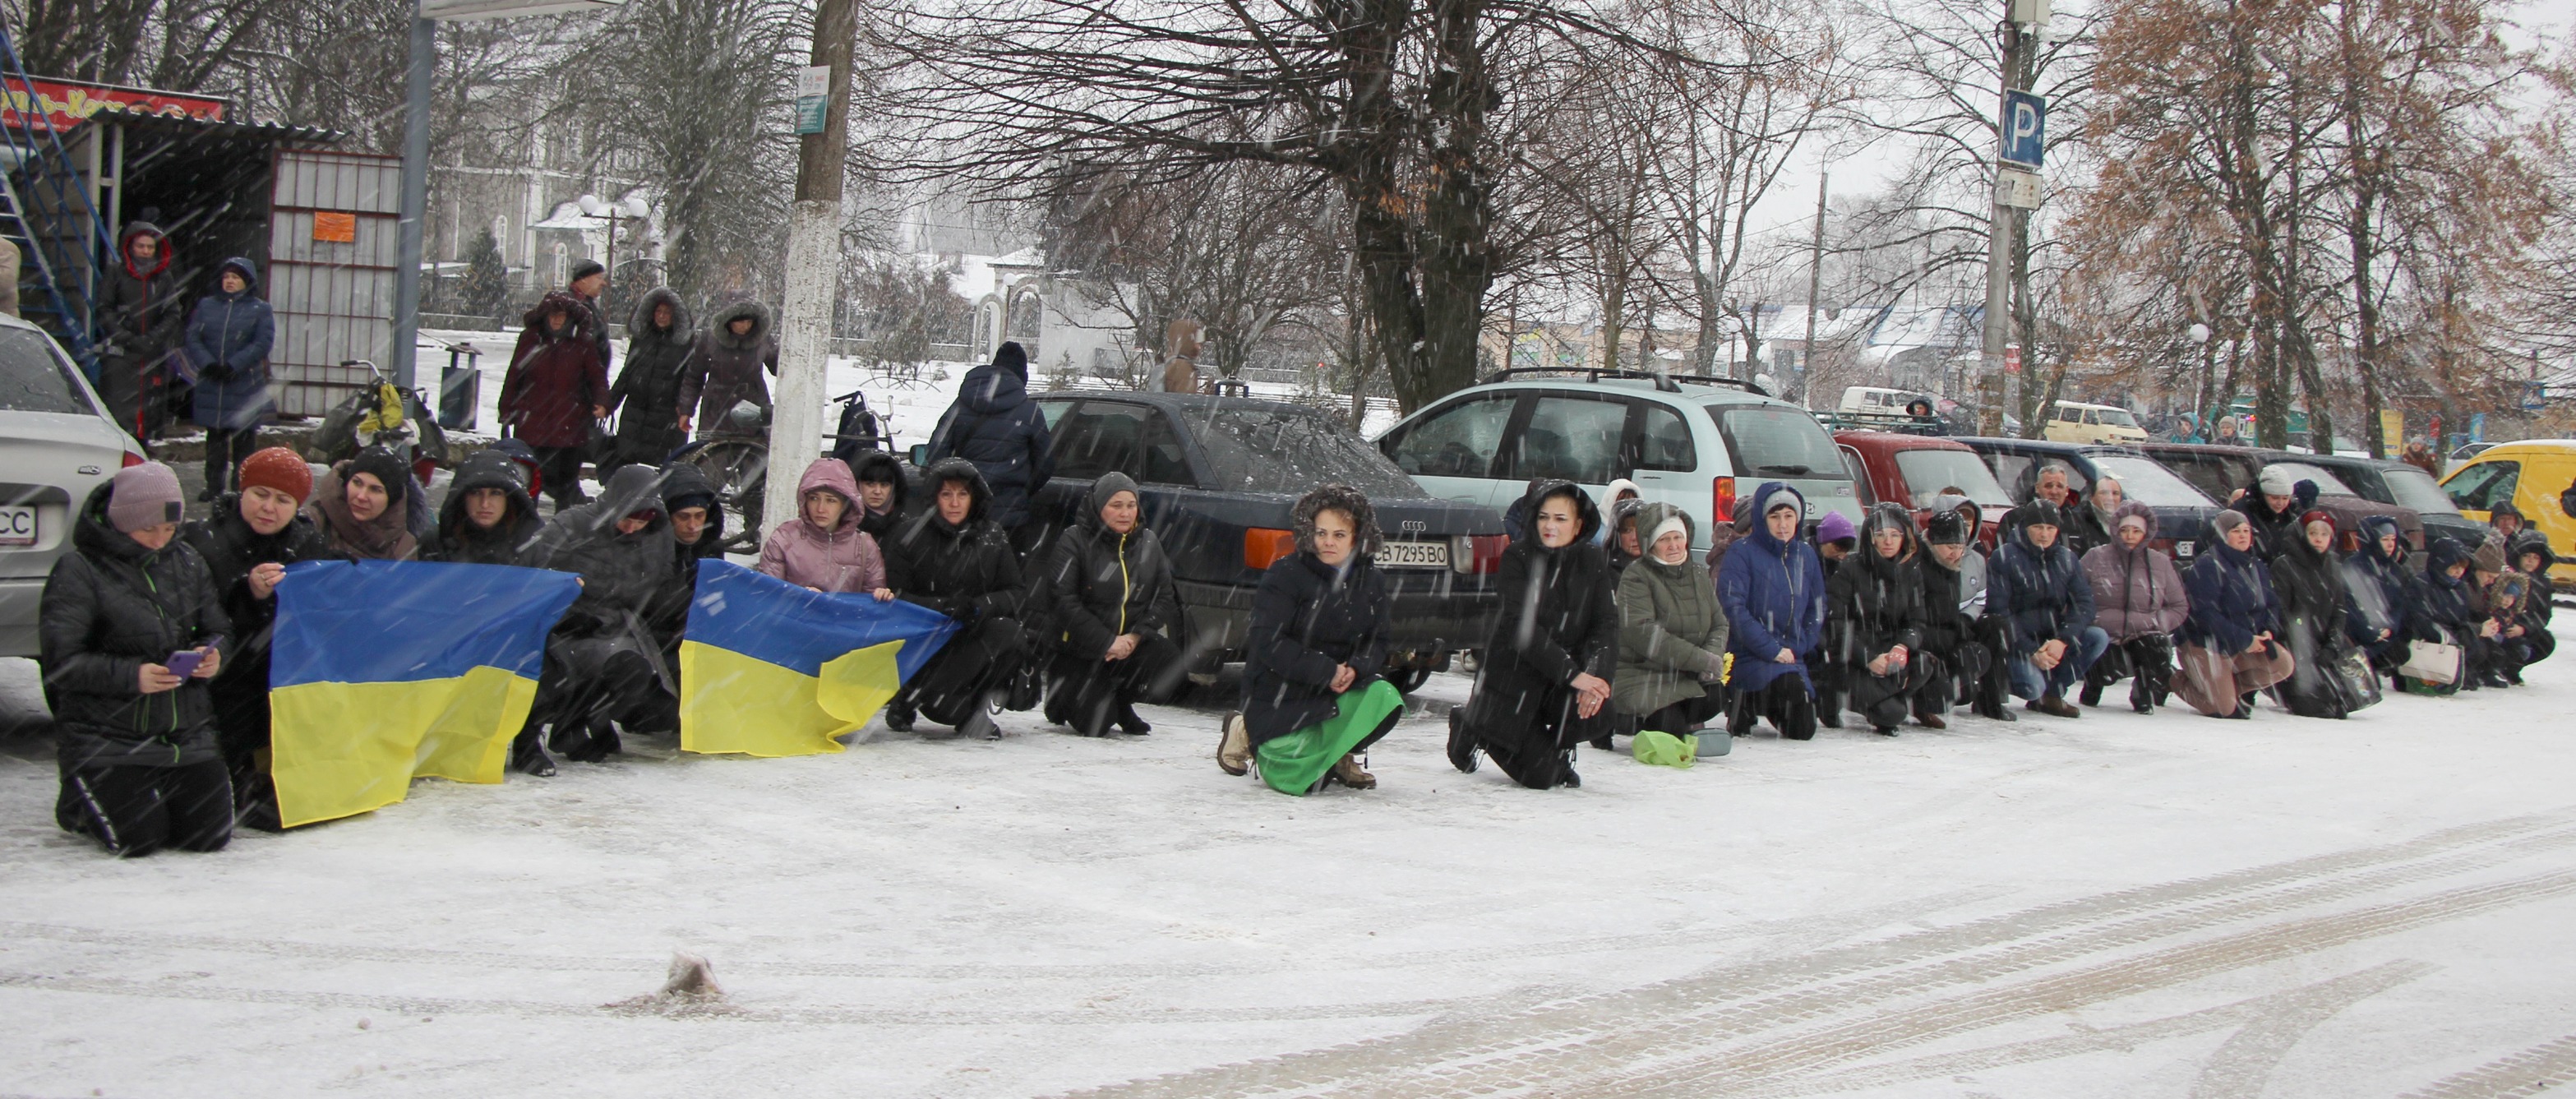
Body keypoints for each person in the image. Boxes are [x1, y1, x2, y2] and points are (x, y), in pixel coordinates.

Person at [42, 462, 233, 857]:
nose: (160, 540)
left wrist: (213, 655)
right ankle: (80, 796)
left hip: (185, 731)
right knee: (137, 840)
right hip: (106, 737)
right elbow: (62, 663)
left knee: (208, 837)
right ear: (120, 522)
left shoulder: (189, 562)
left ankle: (156, 788)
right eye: (148, 529)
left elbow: (219, 630)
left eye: (168, 529)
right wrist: (133, 676)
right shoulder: (78, 571)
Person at [178, 448, 336, 829]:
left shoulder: (308, 547)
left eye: (283, 500)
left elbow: (321, 619)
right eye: (260, 494)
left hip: (279, 679)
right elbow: (193, 619)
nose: (269, 508)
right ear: (242, 491)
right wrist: (247, 595)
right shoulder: (203, 541)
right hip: (221, 681)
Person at [1221, 484, 1405, 793]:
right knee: (1304, 783)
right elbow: (1269, 642)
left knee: (1384, 697)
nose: (1328, 543)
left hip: (1337, 693)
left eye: (1339, 535)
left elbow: (1378, 639)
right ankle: (1246, 731)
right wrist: (1325, 671)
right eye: (1321, 533)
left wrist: (1356, 669)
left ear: (1358, 537)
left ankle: (1339, 752)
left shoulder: (1371, 580)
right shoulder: (1285, 574)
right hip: (1282, 694)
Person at [1448, 479, 1617, 787]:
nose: (1550, 526)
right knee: (1542, 777)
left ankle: (1552, 748)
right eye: (1543, 517)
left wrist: (1595, 677)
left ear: (1578, 524)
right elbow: (1522, 630)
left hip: (1562, 677)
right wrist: (1574, 676)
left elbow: (1605, 623)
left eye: (1560, 519)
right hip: (1514, 680)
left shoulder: (1592, 560)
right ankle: (1472, 724)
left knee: (1602, 710)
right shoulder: (1518, 558)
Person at [517, 465, 681, 770]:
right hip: (565, 625)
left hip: (617, 625)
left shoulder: (656, 536)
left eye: (642, 521)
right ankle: (564, 723)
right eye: (628, 517)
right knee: (570, 668)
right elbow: (533, 569)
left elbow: (661, 584)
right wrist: (565, 604)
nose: (633, 527)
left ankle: (586, 715)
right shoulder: (573, 525)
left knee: (634, 672)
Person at [880, 459, 1027, 741]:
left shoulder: (992, 536)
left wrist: (978, 606)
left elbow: (1015, 592)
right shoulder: (910, 535)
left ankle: (974, 707)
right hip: (925, 641)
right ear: (935, 497)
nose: (955, 503)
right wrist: (940, 607)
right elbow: (894, 596)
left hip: (973, 633)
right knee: (942, 708)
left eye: (963, 494)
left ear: (975, 498)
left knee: (1013, 636)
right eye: (946, 494)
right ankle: (911, 695)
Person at [1040, 472, 1183, 737]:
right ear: (1098, 507)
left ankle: (1118, 700)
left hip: (1126, 646)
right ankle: (1063, 696)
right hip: (1078, 650)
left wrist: (1135, 636)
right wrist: (1107, 641)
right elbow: (1063, 601)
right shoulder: (1074, 541)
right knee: (1097, 726)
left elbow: (1164, 597)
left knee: (1170, 664)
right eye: (1116, 505)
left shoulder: (1149, 542)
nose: (1125, 513)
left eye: (1131, 505)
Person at [1610, 502, 1730, 746]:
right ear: (1651, 544)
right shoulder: (1636, 576)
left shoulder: (1698, 574)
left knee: (1715, 696)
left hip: (1682, 673)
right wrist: (1699, 660)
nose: (1674, 545)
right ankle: (1621, 718)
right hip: (1641, 673)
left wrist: (1711, 657)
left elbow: (1719, 623)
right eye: (1665, 539)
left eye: (1678, 537)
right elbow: (1643, 633)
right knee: (1669, 726)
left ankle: (1670, 721)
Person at [1717, 483, 1829, 741]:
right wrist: (1772, 649)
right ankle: (1745, 699)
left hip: (1792, 656)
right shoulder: (1741, 553)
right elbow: (1733, 607)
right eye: (1774, 516)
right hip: (1749, 654)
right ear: (1761, 518)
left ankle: (1763, 700)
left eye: (1789, 516)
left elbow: (1818, 606)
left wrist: (1802, 644)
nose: (1782, 524)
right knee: (1792, 700)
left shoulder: (1806, 554)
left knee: (1803, 727)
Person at [926, 341, 1057, 557]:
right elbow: (1046, 463)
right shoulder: (1029, 411)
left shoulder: (961, 404)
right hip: (1011, 517)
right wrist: (1022, 489)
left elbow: (936, 452)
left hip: (966, 513)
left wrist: (958, 488)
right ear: (1022, 377)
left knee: (962, 579)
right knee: (1008, 580)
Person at [1986, 499, 2106, 717]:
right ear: (2025, 527)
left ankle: (2052, 694)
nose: (2044, 534)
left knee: (2097, 637)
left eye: (2050, 528)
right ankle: (2019, 685)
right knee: (2032, 687)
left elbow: (2085, 604)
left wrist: (2063, 640)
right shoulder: (2004, 557)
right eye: (2038, 527)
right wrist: (2030, 650)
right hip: (2017, 643)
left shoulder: (2067, 559)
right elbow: (1999, 611)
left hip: (2053, 638)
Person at [1826, 503, 1937, 736]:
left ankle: (1887, 698)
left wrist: (1903, 646)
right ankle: (1867, 700)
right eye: (1881, 534)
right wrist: (1868, 658)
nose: (1888, 541)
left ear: (1904, 537)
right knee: (1891, 716)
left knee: (1925, 664)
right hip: (1855, 658)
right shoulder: (1850, 568)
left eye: (1895, 535)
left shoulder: (1911, 572)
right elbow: (1836, 624)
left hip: (1890, 653)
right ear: (1871, 537)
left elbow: (1917, 621)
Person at [2173, 511, 2295, 718]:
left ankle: (2224, 691)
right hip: (2205, 643)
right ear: (2222, 535)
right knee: (2222, 709)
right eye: (2236, 531)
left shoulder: (2255, 565)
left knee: (2283, 664)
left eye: (2246, 531)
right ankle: (2174, 680)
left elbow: (2271, 604)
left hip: (2242, 643)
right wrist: (2245, 639)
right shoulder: (2208, 565)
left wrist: (2268, 629)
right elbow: (2205, 615)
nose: (2243, 535)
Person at [499, 291, 610, 510]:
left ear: (570, 317)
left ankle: (563, 529)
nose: (557, 320)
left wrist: (602, 402)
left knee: (566, 485)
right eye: (553, 315)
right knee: (529, 480)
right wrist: (506, 408)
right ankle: (526, 523)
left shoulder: (582, 343)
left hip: (570, 423)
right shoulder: (531, 338)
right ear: (545, 316)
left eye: (562, 315)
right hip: (533, 424)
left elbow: (596, 377)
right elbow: (515, 375)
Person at [2078, 501, 2189, 714]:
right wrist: (2091, 620)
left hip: (2143, 633)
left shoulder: (2160, 563)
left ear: (2146, 533)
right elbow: (2075, 596)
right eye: (2125, 530)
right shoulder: (2095, 556)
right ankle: (2094, 684)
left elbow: (2178, 606)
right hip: (2104, 632)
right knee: (2103, 665)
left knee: (2156, 646)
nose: (2130, 536)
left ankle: (2143, 691)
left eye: (2136, 530)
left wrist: (2157, 623)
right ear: (2115, 530)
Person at [182, 257, 276, 500]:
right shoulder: (206, 306)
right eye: (226, 277)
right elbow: (193, 337)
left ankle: (241, 487)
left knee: (244, 441)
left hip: (244, 384)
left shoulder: (260, 309)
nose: (230, 281)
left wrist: (236, 365)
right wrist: (209, 364)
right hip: (213, 383)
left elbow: (262, 343)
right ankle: (213, 487)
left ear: (246, 281)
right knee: (215, 440)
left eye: (235, 277)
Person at [1920, 506, 2015, 722]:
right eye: (1951, 547)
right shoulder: (1919, 565)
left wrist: (1964, 620)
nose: (1956, 553)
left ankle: (1991, 699)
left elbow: (1981, 599)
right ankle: (1930, 696)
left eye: (1960, 547)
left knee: (1994, 628)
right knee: (1946, 692)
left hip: (1956, 627)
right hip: (1929, 638)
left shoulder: (1967, 561)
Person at [95, 216, 184, 441]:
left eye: (150, 247)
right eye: (141, 246)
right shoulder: (115, 273)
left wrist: (152, 339)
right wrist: (125, 336)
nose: (145, 251)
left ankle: (144, 457)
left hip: (153, 356)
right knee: (119, 415)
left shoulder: (164, 277)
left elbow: (173, 313)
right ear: (130, 247)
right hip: (121, 357)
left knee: (149, 417)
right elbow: (104, 309)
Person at [2269, 510, 2361, 718]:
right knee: (2315, 705)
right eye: (2313, 533)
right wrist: (2304, 648)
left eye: (2324, 535)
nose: (2318, 539)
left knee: (2349, 700)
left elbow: (2339, 610)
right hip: (2296, 646)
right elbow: (2282, 613)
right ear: (2303, 535)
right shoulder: (2285, 565)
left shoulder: (2333, 567)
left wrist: (2332, 646)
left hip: (2323, 645)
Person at [757, 457, 890, 596]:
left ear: (846, 505)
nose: (821, 508)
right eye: (814, 498)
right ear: (804, 500)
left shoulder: (865, 547)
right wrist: (803, 597)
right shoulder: (784, 538)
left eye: (831, 501)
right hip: (793, 617)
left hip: (841, 618)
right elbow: (768, 594)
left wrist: (881, 595)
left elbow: (870, 607)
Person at [601, 288, 695, 483]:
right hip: (636, 411)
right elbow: (628, 371)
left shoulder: (684, 344)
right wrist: (610, 402)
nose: (661, 316)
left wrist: (685, 408)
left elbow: (689, 378)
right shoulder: (643, 338)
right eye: (658, 312)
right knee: (626, 466)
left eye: (667, 312)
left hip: (666, 414)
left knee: (666, 469)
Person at [419, 449, 544, 565]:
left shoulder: (532, 545)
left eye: (495, 493)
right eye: (476, 493)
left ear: (509, 499)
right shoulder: (436, 541)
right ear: (463, 497)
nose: (484, 504)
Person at [677, 300, 778, 439]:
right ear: (728, 321)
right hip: (716, 413)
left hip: (753, 411)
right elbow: (694, 376)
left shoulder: (762, 339)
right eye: (741, 322)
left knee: (752, 456)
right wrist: (686, 410)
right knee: (714, 456)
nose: (746, 326)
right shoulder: (710, 339)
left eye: (749, 321)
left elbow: (780, 368)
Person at [2343, 515, 2425, 681]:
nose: (2390, 545)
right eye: (2385, 539)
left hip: (2384, 633)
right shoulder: (2353, 567)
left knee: (2400, 651)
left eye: (2393, 540)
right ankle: (2361, 663)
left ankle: (2369, 664)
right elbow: (2349, 605)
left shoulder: (2394, 570)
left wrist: (2390, 628)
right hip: (2358, 632)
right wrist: (2368, 631)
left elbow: (2397, 605)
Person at [303, 447, 418, 561]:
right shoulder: (313, 522)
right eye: (357, 482)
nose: (361, 496)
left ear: (391, 499)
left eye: (375, 489)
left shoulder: (404, 545)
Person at [1807, 510, 1858, 726]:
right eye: (1838, 548)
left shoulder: (1842, 567)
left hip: (1831, 626)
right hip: (1811, 627)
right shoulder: (1807, 560)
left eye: (1847, 550)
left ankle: (1829, 710)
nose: (1842, 554)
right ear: (1824, 541)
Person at [2232, 466, 2316, 557]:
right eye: (2275, 498)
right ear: (2262, 494)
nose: (2280, 503)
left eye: (2285, 498)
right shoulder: (2241, 513)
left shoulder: (2291, 515)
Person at [2507, 529, 2557, 675]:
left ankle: (2513, 669)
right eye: (2527, 556)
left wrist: (2525, 628)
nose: (2530, 560)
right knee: (2512, 645)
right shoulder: (2507, 576)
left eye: (2536, 557)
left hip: (2525, 628)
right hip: (2504, 625)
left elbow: (2544, 615)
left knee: (2546, 641)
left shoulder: (2543, 584)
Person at [847, 450, 912, 541]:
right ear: (857, 485)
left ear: (893, 488)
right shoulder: (843, 526)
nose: (877, 491)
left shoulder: (907, 529)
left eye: (884, 485)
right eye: (870, 484)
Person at [566, 259, 615, 371]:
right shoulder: (571, 306)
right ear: (583, 279)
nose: (604, 283)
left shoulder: (587, 304)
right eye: (599, 278)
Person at [2061, 475, 2122, 560]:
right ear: (2092, 496)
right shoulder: (2074, 519)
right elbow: (2069, 562)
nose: (2110, 498)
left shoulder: (2124, 522)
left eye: (2115, 493)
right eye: (2104, 493)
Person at [1605, 496, 1646, 576]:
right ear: (1616, 535)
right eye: (1627, 531)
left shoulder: (1667, 568)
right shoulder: (1602, 571)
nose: (1634, 537)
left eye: (1640, 529)